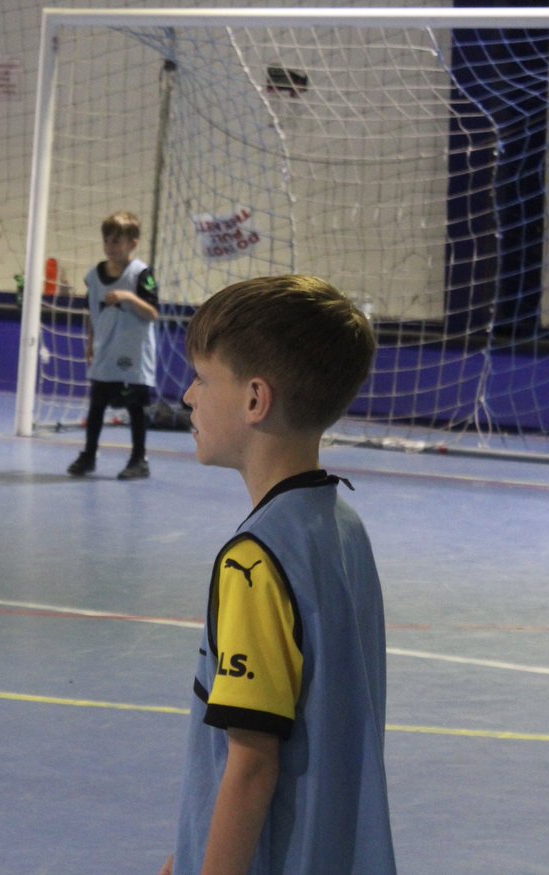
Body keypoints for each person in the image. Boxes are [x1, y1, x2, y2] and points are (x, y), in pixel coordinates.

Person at [162, 276, 396, 874]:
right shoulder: (342, 526)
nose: (189, 395)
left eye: (204, 378)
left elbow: (252, 764)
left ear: (254, 400)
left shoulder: (252, 561)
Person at [66, 211, 159, 480]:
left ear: (133, 243)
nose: (111, 247)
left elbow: (153, 313)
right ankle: (88, 455)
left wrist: (128, 297)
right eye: (108, 241)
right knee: (96, 406)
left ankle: (138, 459)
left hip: (133, 354)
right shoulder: (94, 276)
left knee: (135, 409)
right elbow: (92, 313)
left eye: (117, 242)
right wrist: (90, 343)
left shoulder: (141, 274)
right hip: (106, 352)